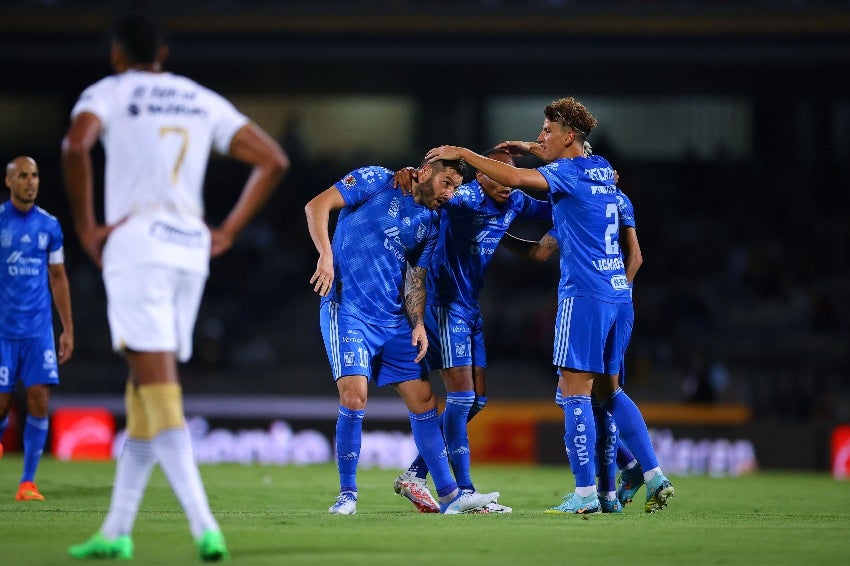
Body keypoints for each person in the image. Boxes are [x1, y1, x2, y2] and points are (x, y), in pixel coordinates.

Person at [61, 13, 289, 561]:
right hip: (190, 251)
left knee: (159, 389)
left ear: (118, 53)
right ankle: (116, 531)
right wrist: (228, 231)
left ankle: (204, 526)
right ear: (161, 51)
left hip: (138, 248)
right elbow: (273, 160)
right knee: (144, 391)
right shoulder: (197, 98)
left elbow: (75, 147)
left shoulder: (108, 92)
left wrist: (88, 228)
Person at [426, 96, 674, 514]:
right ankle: (652, 474)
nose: (540, 137)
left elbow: (518, 180)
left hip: (585, 294)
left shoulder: (566, 176)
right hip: (619, 297)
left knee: (572, 393)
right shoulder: (602, 172)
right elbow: (557, 248)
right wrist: (527, 150)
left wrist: (462, 154)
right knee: (610, 393)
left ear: (569, 136)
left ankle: (585, 494)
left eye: (547, 131)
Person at [305, 156, 499, 516]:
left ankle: (451, 497)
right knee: (355, 396)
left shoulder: (431, 221)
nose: (450, 193)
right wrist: (325, 256)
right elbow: (317, 205)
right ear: (425, 172)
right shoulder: (376, 179)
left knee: (425, 401)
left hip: (393, 320)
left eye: (456, 187)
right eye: (447, 183)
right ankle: (347, 495)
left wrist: (419, 324)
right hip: (348, 309)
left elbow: (416, 278)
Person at [390, 149, 551, 514]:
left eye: (512, 177)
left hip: (470, 308)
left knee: (477, 401)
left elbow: (556, 206)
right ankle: (463, 493)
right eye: (499, 176)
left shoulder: (515, 199)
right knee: (461, 400)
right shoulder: (463, 198)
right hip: (444, 304)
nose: (508, 185)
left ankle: (415, 474)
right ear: (481, 175)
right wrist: (410, 174)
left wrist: (595, 189)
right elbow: (430, 192)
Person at [501, 178, 648, 511]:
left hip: (589, 303)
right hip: (616, 303)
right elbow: (636, 257)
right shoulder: (614, 202)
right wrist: (620, 293)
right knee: (597, 397)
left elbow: (540, 251)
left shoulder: (578, 211)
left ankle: (596, 490)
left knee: (583, 396)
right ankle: (614, 486)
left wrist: (498, 236)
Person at [0, 156, 74, 501]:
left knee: (39, 399)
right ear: (9, 182)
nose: (31, 182)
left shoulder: (50, 226)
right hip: (3, 330)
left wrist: (67, 328)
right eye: (24, 176)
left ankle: (27, 483)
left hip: (38, 329)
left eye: (35, 175)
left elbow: (58, 277)